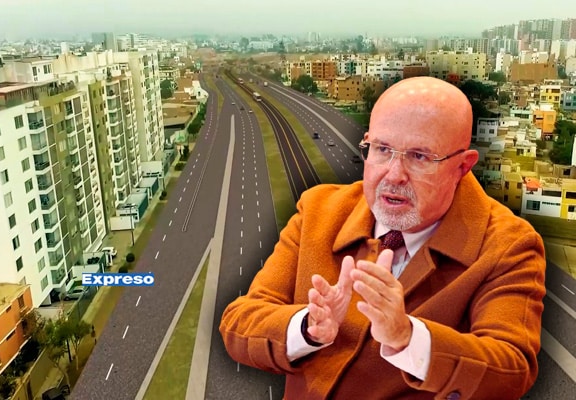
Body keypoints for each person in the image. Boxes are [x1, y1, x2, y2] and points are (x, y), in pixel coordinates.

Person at [219, 76, 546, 399]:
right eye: (382, 149)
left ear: (462, 167)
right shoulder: (318, 210)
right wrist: (307, 327)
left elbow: (512, 370)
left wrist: (408, 338)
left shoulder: (508, 245)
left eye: (419, 156)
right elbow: (239, 323)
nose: (394, 174)